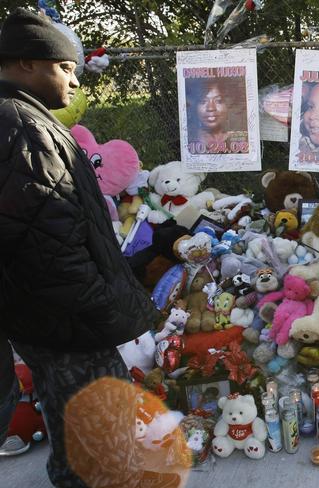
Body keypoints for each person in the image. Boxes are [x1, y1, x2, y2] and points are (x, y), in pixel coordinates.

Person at [0, 8, 175, 488]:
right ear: (27, 63)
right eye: (66, 67)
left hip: (49, 318)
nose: (75, 80)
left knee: (70, 418)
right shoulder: (22, 129)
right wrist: (108, 309)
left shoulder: (23, 118)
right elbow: (49, 249)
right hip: (68, 322)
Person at [186, 77, 248, 155]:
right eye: (203, 101)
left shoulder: (239, 139)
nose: (211, 108)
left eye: (218, 101)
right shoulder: (189, 139)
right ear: (195, 106)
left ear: (227, 105)